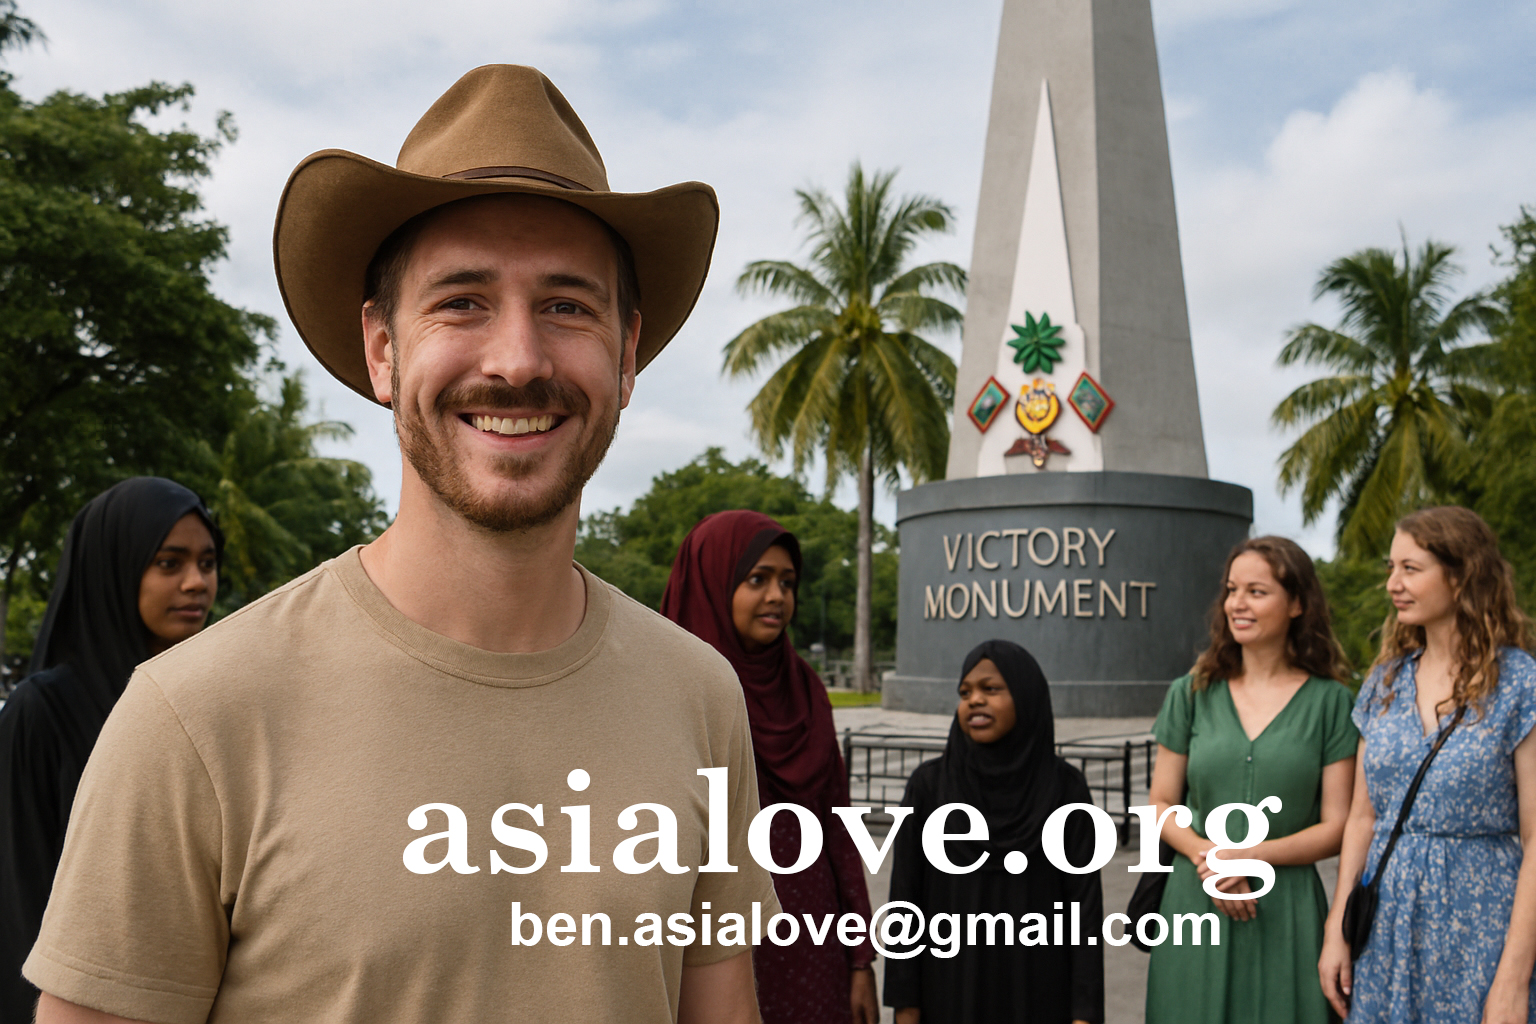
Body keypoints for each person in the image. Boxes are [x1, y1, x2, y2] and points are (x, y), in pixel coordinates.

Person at [25, 66, 777, 1024]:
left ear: (627, 353)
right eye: (461, 301)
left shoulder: (700, 695)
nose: (517, 360)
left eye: (567, 305)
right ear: (382, 348)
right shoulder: (196, 717)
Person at [0, 477, 219, 1021]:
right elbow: (17, 894)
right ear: (113, 571)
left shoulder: (215, 703)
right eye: (169, 563)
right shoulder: (43, 712)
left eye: (207, 562)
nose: (196, 582)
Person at [660, 509, 879, 1024]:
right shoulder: (669, 692)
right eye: (757, 580)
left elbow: (841, 833)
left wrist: (861, 959)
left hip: (813, 943)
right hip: (709, 942)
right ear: (712, 583)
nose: (778, 596)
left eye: (787, 582)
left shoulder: (804, 690)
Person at [1319, 507, 1536, 1023]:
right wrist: (1337, 930)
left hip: (1481, 922)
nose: (1393, 584)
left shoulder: (1520, 684)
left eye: (1410, 569)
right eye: (1391, 568)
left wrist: (1513, 979)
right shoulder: (1384, 682)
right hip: (1385, 923)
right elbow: (1362, 819)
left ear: (1461, 577)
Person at [1143, 535, 1357, 1024]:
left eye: (1256, 592)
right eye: (1231, 589)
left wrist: (1246, 858)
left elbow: (1338, 825)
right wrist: (1209, 858)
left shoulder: (1332, 704)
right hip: (1196, 900)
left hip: (1287, 910)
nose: (1237, 603)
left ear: (1298, 604)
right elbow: (1159, 802)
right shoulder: (1191, 692)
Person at [883, 639, 1104, 1024]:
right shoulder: (930, 787)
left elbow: (1084, 912)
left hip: (1040, 991)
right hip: (948, 991)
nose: (974, 701)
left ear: (1026, 694)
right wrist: (906, 1007)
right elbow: (906, 902)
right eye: (965, 692)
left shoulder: (1065, 790)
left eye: (991, 689)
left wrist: (1084, 1014)